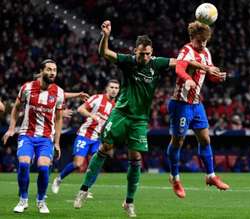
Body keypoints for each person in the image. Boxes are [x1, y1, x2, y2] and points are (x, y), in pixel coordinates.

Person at [73, 20, 221, 217]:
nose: (145, 57)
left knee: (135, 158)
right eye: (141, 53)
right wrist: (105, 36)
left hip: (140, 120)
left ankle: (129, 202)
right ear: (135, 51)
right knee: (105, 148)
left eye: (148, 53)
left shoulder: (156, 63)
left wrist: (205, 67)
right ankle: (83, 190)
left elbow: (181, 63)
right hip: (120, 114)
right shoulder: (127, 61)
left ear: (152, 53)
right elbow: (104, 53)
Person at [166, 21, 229, 199]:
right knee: (178, 142)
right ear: (192, 38)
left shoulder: (206, 52)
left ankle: (210, 176)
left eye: (205, 41)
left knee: (205, 139)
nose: (202, 44)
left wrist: (219, 77)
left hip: (196, 104)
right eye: (200, 41)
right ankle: (175, 178)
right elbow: (179, 68)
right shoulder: (186, 50)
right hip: (180, 104)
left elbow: (210, 75)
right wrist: (187, 78)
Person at [2, 59, 64, 214]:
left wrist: (57, 143)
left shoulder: (59, 92)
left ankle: (41, 200)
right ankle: (23, 200)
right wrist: (11, 129)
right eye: (49, 69)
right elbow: (16, 108)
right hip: (26, 135)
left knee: (44, 168)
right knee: (23, 165)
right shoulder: (27, 88)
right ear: (42, 71)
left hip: (45, 138)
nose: (52, 73)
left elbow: (58, 118)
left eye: (54, 70)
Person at [51, 79, 120, 194]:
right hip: (85, 135)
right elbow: (80, 109)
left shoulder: (115, 107)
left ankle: (85, 189)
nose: (114, 90)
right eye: (112, 87)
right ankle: (58, 179)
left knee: (96, 165)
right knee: (78, 163)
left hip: (98, 138)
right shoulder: (97, 98)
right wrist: (92, 115)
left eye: (116, 88)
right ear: (107, 88)